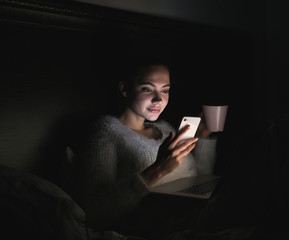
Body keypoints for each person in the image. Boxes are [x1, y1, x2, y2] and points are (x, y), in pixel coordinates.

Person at [71, 62, 227, 238]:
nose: (158, 99)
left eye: (165, 90)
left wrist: (203, 137)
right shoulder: (107, 131)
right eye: (147, 89)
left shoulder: (166, 129)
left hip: (196, 208)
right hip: (161, 222)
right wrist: (157, 170)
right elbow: (95, 213)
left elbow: (198, 179)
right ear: (125, 89)